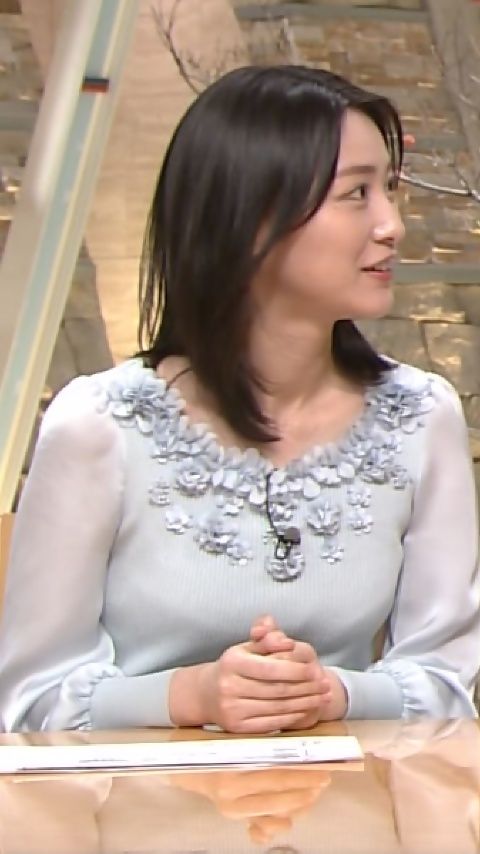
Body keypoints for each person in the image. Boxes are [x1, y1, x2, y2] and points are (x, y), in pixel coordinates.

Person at [0, 64, 479, 734]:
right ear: (249, 217)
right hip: (137, 800)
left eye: (390, 190)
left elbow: (447, 687)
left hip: (346, 796)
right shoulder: (98, 426)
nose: (391, 225)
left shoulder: (422, 417)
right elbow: (29, 704)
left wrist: (334, 693)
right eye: (356, 194)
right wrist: (188, 697)